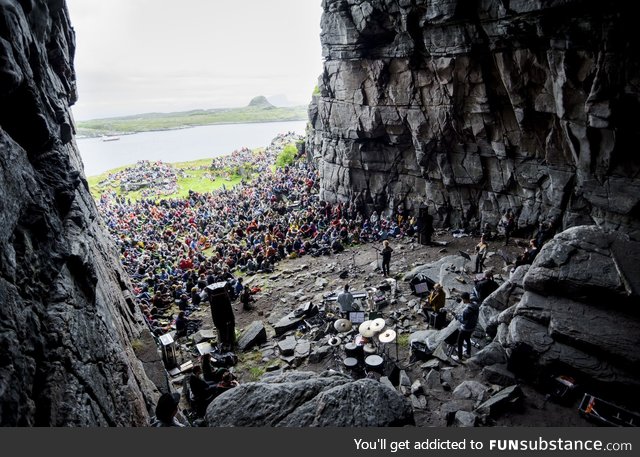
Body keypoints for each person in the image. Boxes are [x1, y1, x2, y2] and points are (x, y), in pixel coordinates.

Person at [452, 292, 480, 362]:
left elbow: (463, 321)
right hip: (473, 326)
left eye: (462, 299)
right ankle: (468, 354)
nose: (462, 301)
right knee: (467, 339)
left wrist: (456, 315)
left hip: (466, 328)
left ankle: (459, 358)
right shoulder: (475, 305)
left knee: (459, 342)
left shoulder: (466, 311)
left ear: (464, 299)